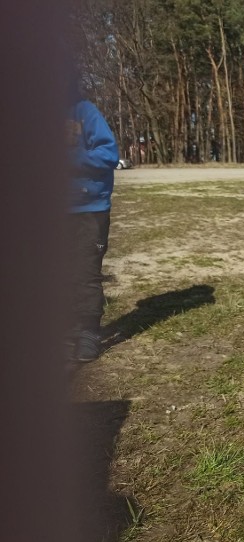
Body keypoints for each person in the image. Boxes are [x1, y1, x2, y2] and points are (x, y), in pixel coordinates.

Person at [67, 87, 119, 363]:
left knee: (85, 272)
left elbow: (109, 154)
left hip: (90, 210)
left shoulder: (84, 111)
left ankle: (89, 331)